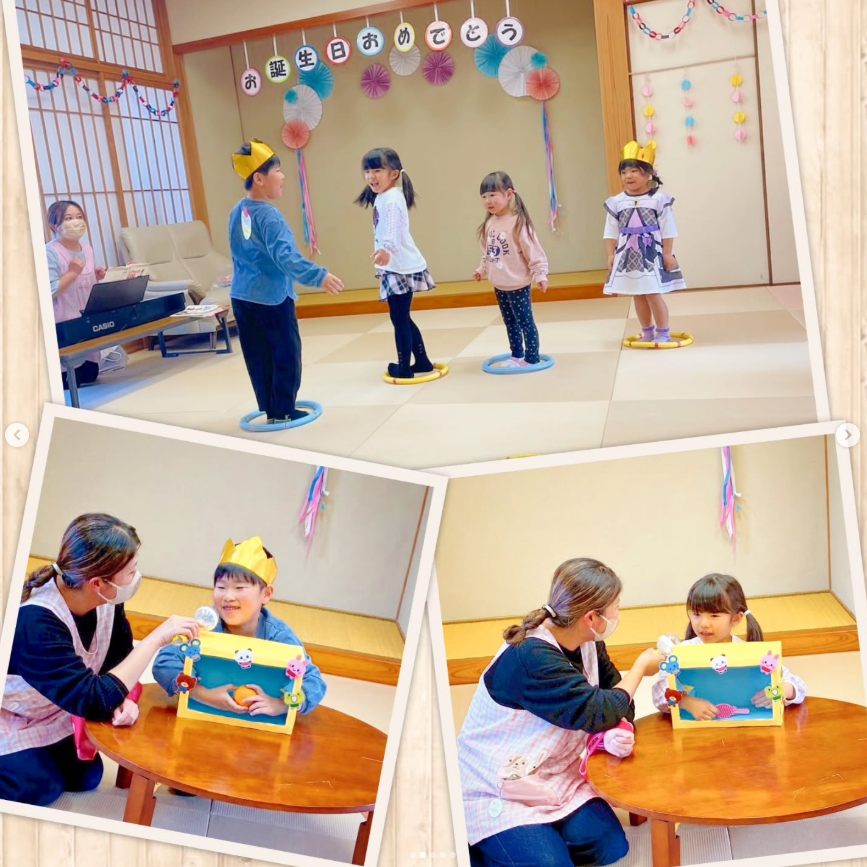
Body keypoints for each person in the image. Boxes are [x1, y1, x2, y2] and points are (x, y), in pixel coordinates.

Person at [457, 558, 661, 867]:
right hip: (498, 784)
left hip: (554, 772)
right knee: (550, 863)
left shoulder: (589, 643)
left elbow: (619, 703)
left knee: (610, 846)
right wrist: (641, 668)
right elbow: (601, 709)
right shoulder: (531, 656)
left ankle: (535, 846)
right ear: (591, 617)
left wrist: (614, 728)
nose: (618, 616)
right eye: (615, 608)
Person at [0, 514, 199, 806]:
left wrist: (124, 699)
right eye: (131, 572)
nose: (136, 578)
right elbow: (93, 700)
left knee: (87, 776)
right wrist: (155, 638)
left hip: (52, 708)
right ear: (98, 583)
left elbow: (118, 658)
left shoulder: (105, 599)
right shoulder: (36, 622)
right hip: (10, 714)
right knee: (39, 787)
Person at [230, 140, 344, 424]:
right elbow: (286, 258)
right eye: (278, 171)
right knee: (286, 353)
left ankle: (271, 408)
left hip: (241, 296)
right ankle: (283, 410)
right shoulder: (269, 216)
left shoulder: (239, 210)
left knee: (258, 354)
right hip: (271, 298)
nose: (283, 177)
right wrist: (319, 276)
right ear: (259, 178)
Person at [153, 535, 326, 716]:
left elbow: (313, 681)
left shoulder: (279, 636)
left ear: (266, 594)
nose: (228, 596)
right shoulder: (205, 627)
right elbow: (163, 663)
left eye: (239, 588)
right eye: (221, 587)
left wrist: (282, 704)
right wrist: (203, 694)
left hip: (260, 725)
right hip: (205, 718)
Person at [652, 573, 807, 719]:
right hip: (697, 727)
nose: (703, 623)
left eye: (714, 615)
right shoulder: (682, 652)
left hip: (746, 723)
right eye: (697, 614)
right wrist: (686, 702)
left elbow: (798, 685)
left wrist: (783, 689)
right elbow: (659, 694)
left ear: (736, 619)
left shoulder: (746, 650)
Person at [356, 147, 437, 379]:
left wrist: (387, 249)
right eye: (367, 171)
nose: (371, 176)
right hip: (398, 264)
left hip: (398, 266)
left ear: (393, 174)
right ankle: (422, 361)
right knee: (401, 317)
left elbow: (393, 228)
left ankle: (404, 367)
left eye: (377, 170)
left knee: (399, 319)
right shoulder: (385, 196)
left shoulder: (391, 198)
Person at [603, 141, 686, 344]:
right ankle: (647, 332)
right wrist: (611, 254)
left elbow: (668, 229)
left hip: (651, 253)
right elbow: (610, 231)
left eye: (634, 171)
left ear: (648, 173)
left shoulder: (659, 200)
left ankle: (663, 332)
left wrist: (667, 253)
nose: (628, 176)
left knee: (653, 294)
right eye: (624, 172)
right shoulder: (616, 202)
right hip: (627, 254)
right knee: (637, 295)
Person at [474, 172, 549, 368]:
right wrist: (482, 269)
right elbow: (489, 252)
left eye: (492, 195)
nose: (488, 200)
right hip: (500, 284)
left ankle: (531, 358)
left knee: (525, 322)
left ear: (508, 194)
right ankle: (516, 355)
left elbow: (533, 251)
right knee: (510, 322)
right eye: (484, 196)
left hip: (518, 283)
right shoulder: (489, 224)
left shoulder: (518, 222)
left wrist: (540, 274)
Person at [46, 201, 107, 391]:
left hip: (86, 320)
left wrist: (96, 276)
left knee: (90, 374)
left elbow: (85, 281)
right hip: (64, 320)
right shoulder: (50, 252)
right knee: (70, 381)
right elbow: (50, 290)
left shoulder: (87, 248)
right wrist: (72, 273)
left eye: (79, 217)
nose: (76, 222)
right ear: (54, 225)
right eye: (69, 218)